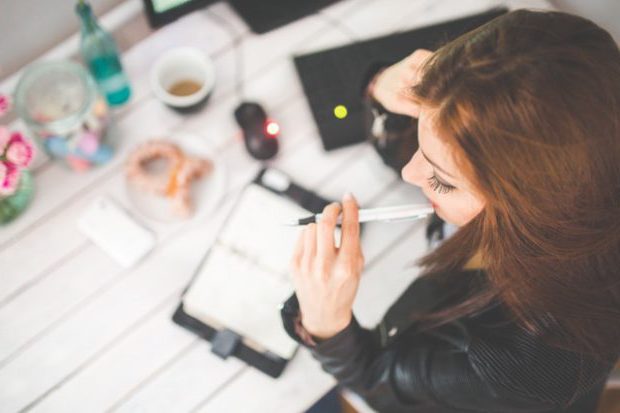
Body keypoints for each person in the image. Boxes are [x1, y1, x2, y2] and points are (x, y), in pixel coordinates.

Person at [280, 9, 620, 413]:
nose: (410, 173)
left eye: (442, 181)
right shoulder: (566, 142)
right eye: (421, 125)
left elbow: (377, 383)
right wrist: (380, 87)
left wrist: (327, 324)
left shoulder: (525, 360)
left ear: (528, 207)